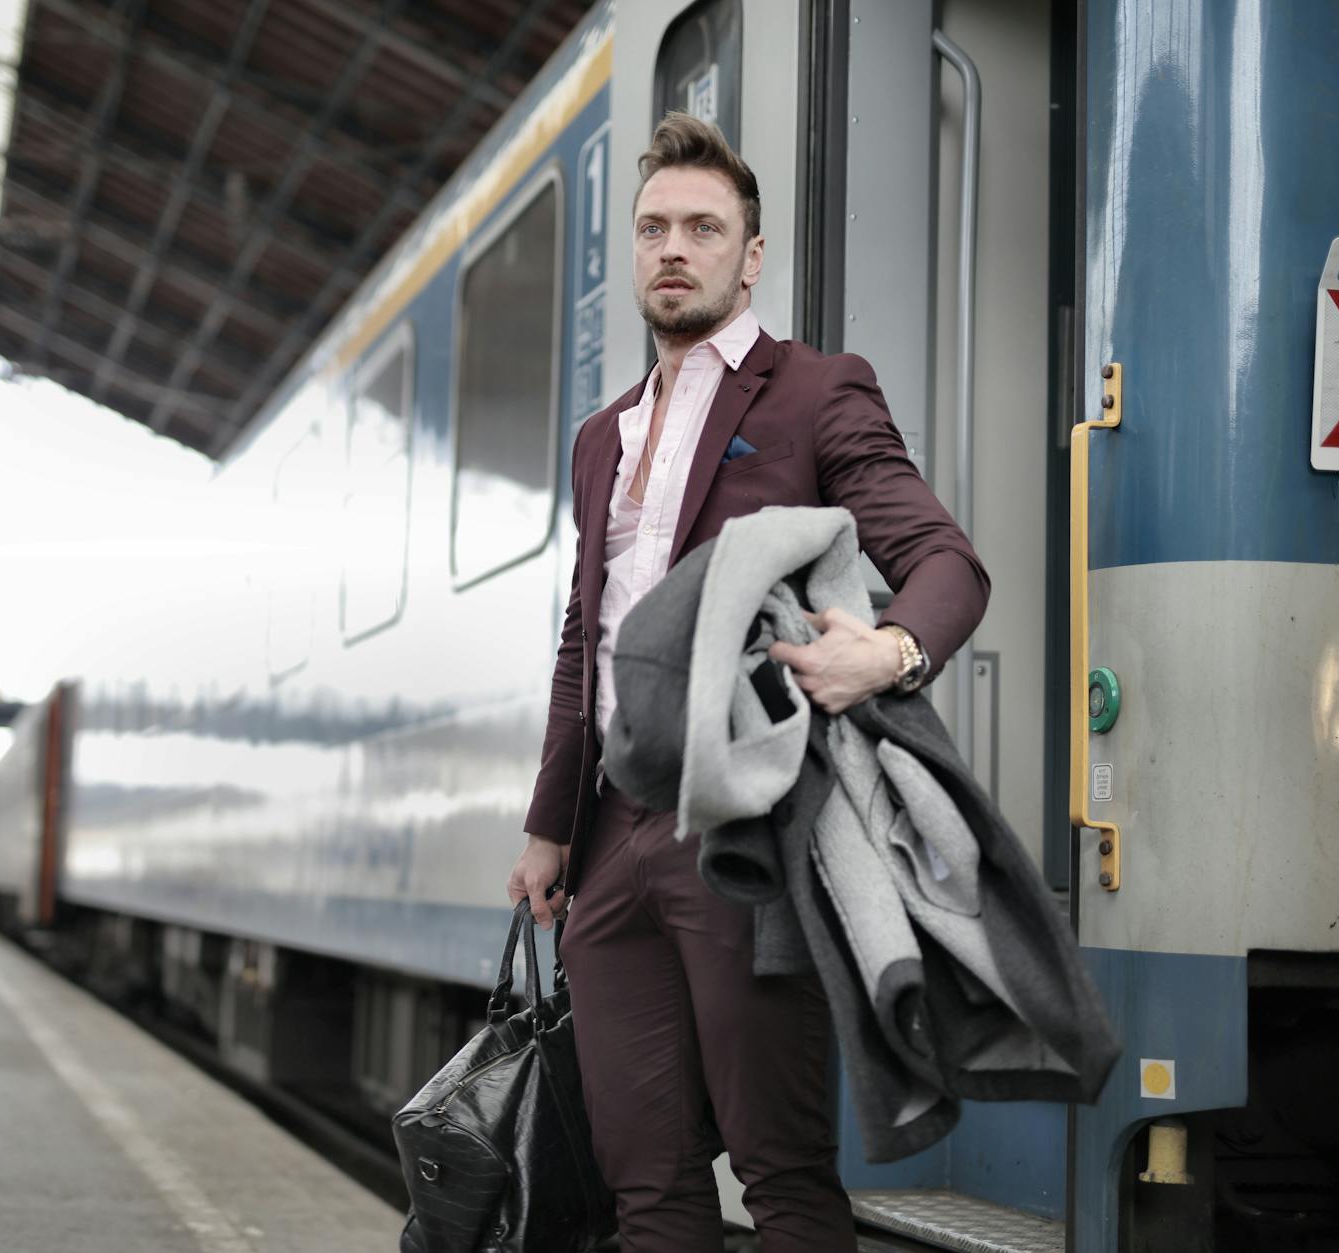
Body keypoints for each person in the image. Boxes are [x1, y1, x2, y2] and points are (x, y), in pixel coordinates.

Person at [507, 113, 989, 1251]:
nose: (674, 247)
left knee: (778, 1169)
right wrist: (547, 825)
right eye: (653, 228)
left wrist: (890, 648)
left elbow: (943, 561)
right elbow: (586, 637)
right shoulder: (599, 437)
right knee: (644, 1182)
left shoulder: (814, 392)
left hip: (745, 829)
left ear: (750, 255)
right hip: (612, 836)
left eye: (703, 229)